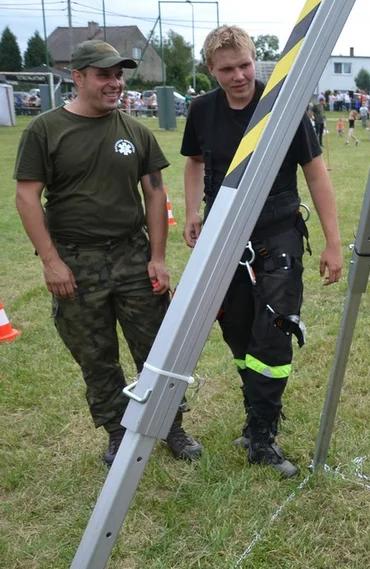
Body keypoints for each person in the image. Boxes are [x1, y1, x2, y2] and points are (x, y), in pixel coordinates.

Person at [13, 40, 201, 465]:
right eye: (104, 74)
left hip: (133, 256)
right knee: (95, 355)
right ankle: (117, 432)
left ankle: (171, 424)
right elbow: (27, 198)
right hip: (76, 262)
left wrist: (157, 257)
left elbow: (154, 195)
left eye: (119, 74)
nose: (115, 82)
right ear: (78, 78)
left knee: (156, 348)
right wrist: (51, 261)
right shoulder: (45, 130)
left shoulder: (135, 131)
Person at [181, 25, 343, 477]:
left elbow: (317, 174)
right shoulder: (202, 111)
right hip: (223, 237)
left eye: (245, 65)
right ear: (210, 70)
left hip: (277, 235)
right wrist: (193, 211)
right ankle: (254, 416)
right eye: (227, 69)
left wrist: (332, 242)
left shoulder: (285, 110)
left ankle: (262, 436)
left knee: (272, 333)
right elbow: (194, 162)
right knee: (235, 331)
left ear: (257, 59)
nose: (238, 76)